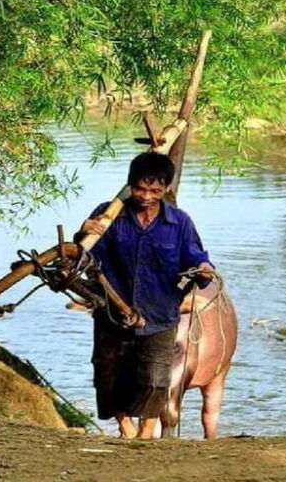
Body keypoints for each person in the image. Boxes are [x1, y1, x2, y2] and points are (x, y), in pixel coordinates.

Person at [78, 152, 213, 439]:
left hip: (160, 313)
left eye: (155, 190)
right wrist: (83, 234)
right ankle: (125, 427)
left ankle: (147, 429)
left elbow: (196, 256)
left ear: (166, 190)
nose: (147, 196)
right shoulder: (109, 214)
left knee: (155, 377)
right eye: (140, 188)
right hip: (113, 311)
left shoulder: (179, 223)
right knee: (109, 374)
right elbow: (84, 257)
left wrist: (203, 268)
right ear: (129, 185)